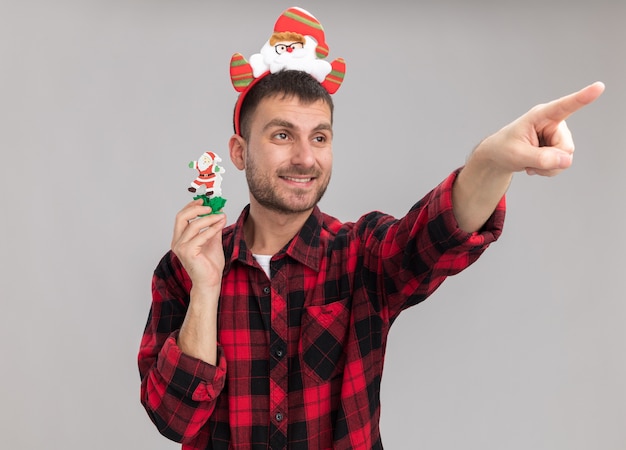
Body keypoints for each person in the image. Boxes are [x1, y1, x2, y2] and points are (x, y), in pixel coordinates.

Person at [138, 8, 605, 450]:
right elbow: (173, 420)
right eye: (282, 135)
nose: (305, 157)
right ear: (239, 152)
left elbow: (433, 238)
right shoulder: (181, 271)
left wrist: (490, 161)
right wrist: (205, 289)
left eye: (319, 137)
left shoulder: (360, 254)